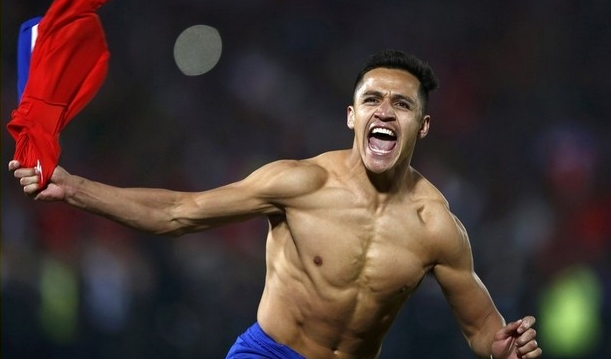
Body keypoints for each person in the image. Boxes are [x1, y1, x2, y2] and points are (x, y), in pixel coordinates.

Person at [9, 49, 542, 359]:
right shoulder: (301, 184)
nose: (384, 110)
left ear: (421, 127)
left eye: (401, 104)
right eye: (371, 100)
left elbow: (481, 329)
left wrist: (503, 348)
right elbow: (178, 212)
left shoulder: (437, 226)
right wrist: (73, 187)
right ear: (352, 117)